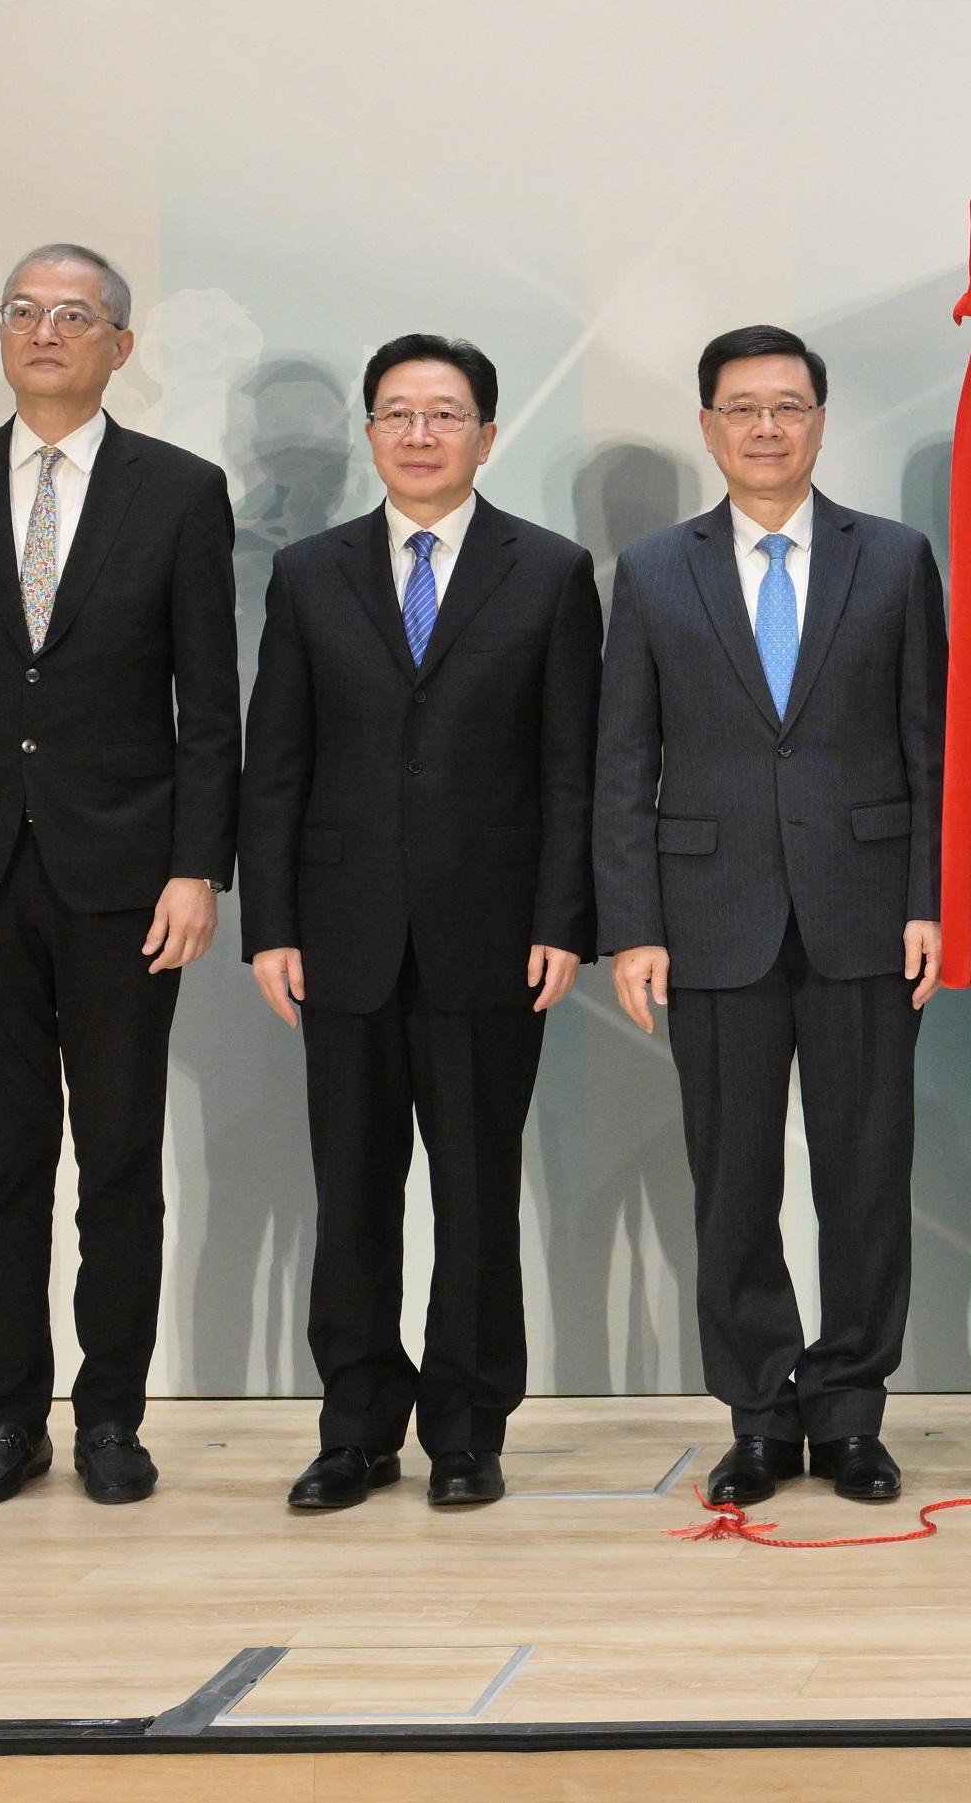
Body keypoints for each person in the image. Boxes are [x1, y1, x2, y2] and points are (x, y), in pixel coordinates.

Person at [0, 244, 238, 1507]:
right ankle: (9, 1416)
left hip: (127, 877)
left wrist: (198, 865)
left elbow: (206, 706)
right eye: (25, 311)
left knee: (119, 1157)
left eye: (75, 314)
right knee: (2, 1161)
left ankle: (113, 1415)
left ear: (121, 345)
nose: (46, 330)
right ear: (2, 336)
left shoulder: (180, 491)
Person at [237, 334, 600, 1512]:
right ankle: (354, 1428)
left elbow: (569, 768)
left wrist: (563, 916)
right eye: (397, 413)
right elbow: (275, 764)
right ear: (369, 432)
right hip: (338, 934)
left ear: (488, 434)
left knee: (478, 1191)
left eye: (446, 414)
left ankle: (466, 1426)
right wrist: (270, 922)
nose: (421, 433)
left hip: (494, 934)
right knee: (352, 1191)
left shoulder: (547, 571)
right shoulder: (309, 574)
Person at [595, 325, 946, 1512]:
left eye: (786, 405)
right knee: (732, 1181)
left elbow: (928, 746)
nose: (763, 426)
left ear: (820, 421)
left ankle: (850, 1414)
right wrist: (633, 923)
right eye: (740, 406)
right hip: (709, 917)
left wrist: (927, 897)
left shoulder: (894, 559)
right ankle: (758, 1414)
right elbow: (622, 756)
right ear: (707, 426)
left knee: (864, 1174)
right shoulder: (651, 570)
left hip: (863, 911)